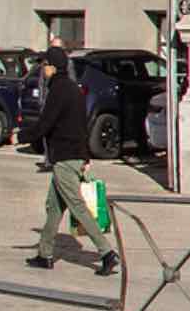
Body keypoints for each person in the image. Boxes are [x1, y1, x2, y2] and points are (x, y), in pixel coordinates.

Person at [21, 50, 118, 277]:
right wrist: (85, 157)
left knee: (76, 205)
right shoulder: (74, 89)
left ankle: (106, 252)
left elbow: (46, 123)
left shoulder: (59, 90)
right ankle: (44, 254)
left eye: (44, 65)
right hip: (72, 156)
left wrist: (24, 136)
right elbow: (82, 125)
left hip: (65, 158)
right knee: (53, 207)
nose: (42, 70)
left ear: (53, 67)